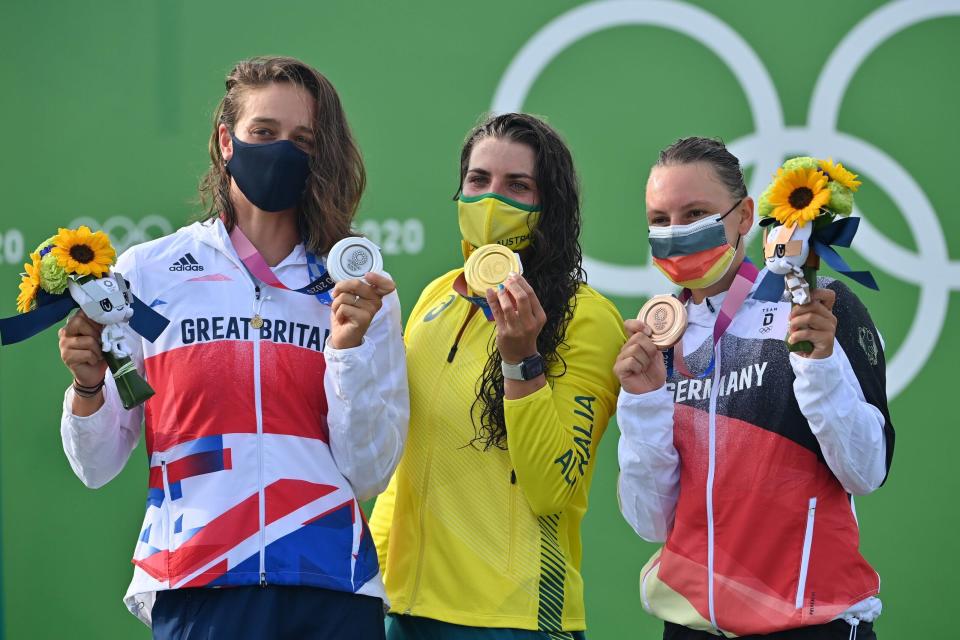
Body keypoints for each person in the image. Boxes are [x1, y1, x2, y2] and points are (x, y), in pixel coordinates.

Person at [57, 56, 408, 639]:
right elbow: (96, 467)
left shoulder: (356, 288)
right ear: (226, 141)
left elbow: (368, 470)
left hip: (329, 582)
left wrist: (346, 352)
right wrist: (88, 387)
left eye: (303, 140)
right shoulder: (149, 274)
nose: (281, 151)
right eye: (263, 133)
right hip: (199, 579)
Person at [615, 137, 894, 639]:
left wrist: (819, 365)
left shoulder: (818, 305)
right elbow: (650, 523)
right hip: (691, 625)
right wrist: (642, 402)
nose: (676, 233)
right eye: (660, 220)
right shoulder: (659, 336)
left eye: (696, 212)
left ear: (745, 216)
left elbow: (867, 470)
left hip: (809, 623)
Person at [368, 113, 625, 639]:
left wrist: (521, 359)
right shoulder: (435, 298)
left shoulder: (587, 318)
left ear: (549, 206)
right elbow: (407, 464)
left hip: (515, 619)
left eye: (518, 186)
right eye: (478, 181)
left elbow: (554, 487)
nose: (492, 200)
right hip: (406, 614)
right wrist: (369, 578)